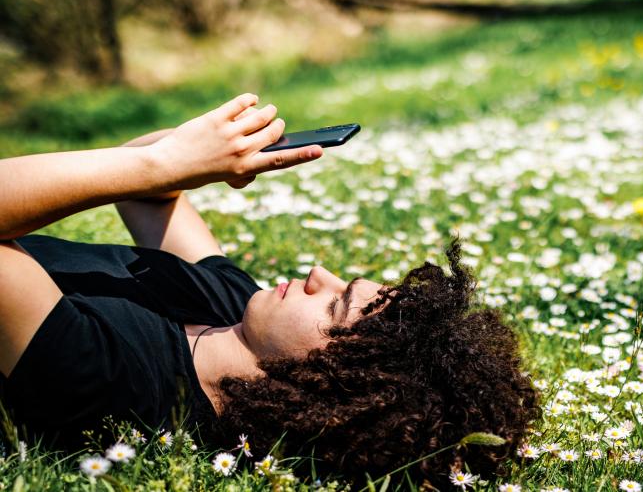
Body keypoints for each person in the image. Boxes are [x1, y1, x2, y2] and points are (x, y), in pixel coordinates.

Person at [0, 93, 541, 487]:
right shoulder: (231, 309)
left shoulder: (112, 381)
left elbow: (143, 173)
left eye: (335, 303)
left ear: (332, 384)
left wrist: (159, 165)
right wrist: (197, 156)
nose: (316, 274)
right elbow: (149, 199)